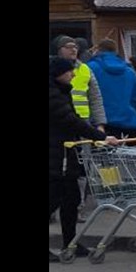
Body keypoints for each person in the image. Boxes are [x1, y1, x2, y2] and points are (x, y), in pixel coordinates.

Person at [49, 57, 115, 261]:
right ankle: (71, 241)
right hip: (56, 154)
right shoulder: (53, 94)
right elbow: (70, 120)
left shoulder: (61, 90)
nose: (74, 74)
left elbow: (74, 118)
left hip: (66, 152)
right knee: (54, 199)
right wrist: (101, 136)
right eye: (70, 71)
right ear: (59, 72)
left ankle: (72, 241)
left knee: (71, 199)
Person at [86, 39, 136, 138]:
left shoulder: (90, 68)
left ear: (98, 50)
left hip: (102, 124)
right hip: (130, 121)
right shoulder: (129, 71)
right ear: (115, 51)